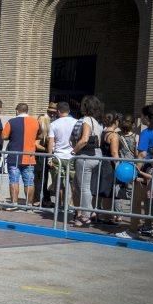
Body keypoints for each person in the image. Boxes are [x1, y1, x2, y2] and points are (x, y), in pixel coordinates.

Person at [71, 95, 104, 227]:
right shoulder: (97, 121)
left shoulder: (86, 120)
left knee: (83, 187)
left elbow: (84, 139)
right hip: (96, 154)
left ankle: (85, 216)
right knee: (86, 187)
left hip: (85, 155)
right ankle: (90, 212)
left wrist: (74, 150)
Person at [1, 103, 40, 210]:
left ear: (17, 110)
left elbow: (4, 136)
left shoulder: (11, 122)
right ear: (27, 111)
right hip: (30, 156)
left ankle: (14, 203)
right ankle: (29, 204)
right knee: (29, 181)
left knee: (14, 180)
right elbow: (39, 135)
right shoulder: (35, 122)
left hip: (14, 156)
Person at [47, 101, 77, 213]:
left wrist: (50, 157)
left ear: (58, 111)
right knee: (73, 183)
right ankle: (72, 205)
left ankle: (60, 205)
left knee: (59, 183)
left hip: (58, 157)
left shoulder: (54, 124)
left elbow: (51, 142)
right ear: (69, 111)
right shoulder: (76, 122)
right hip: (72, 157)